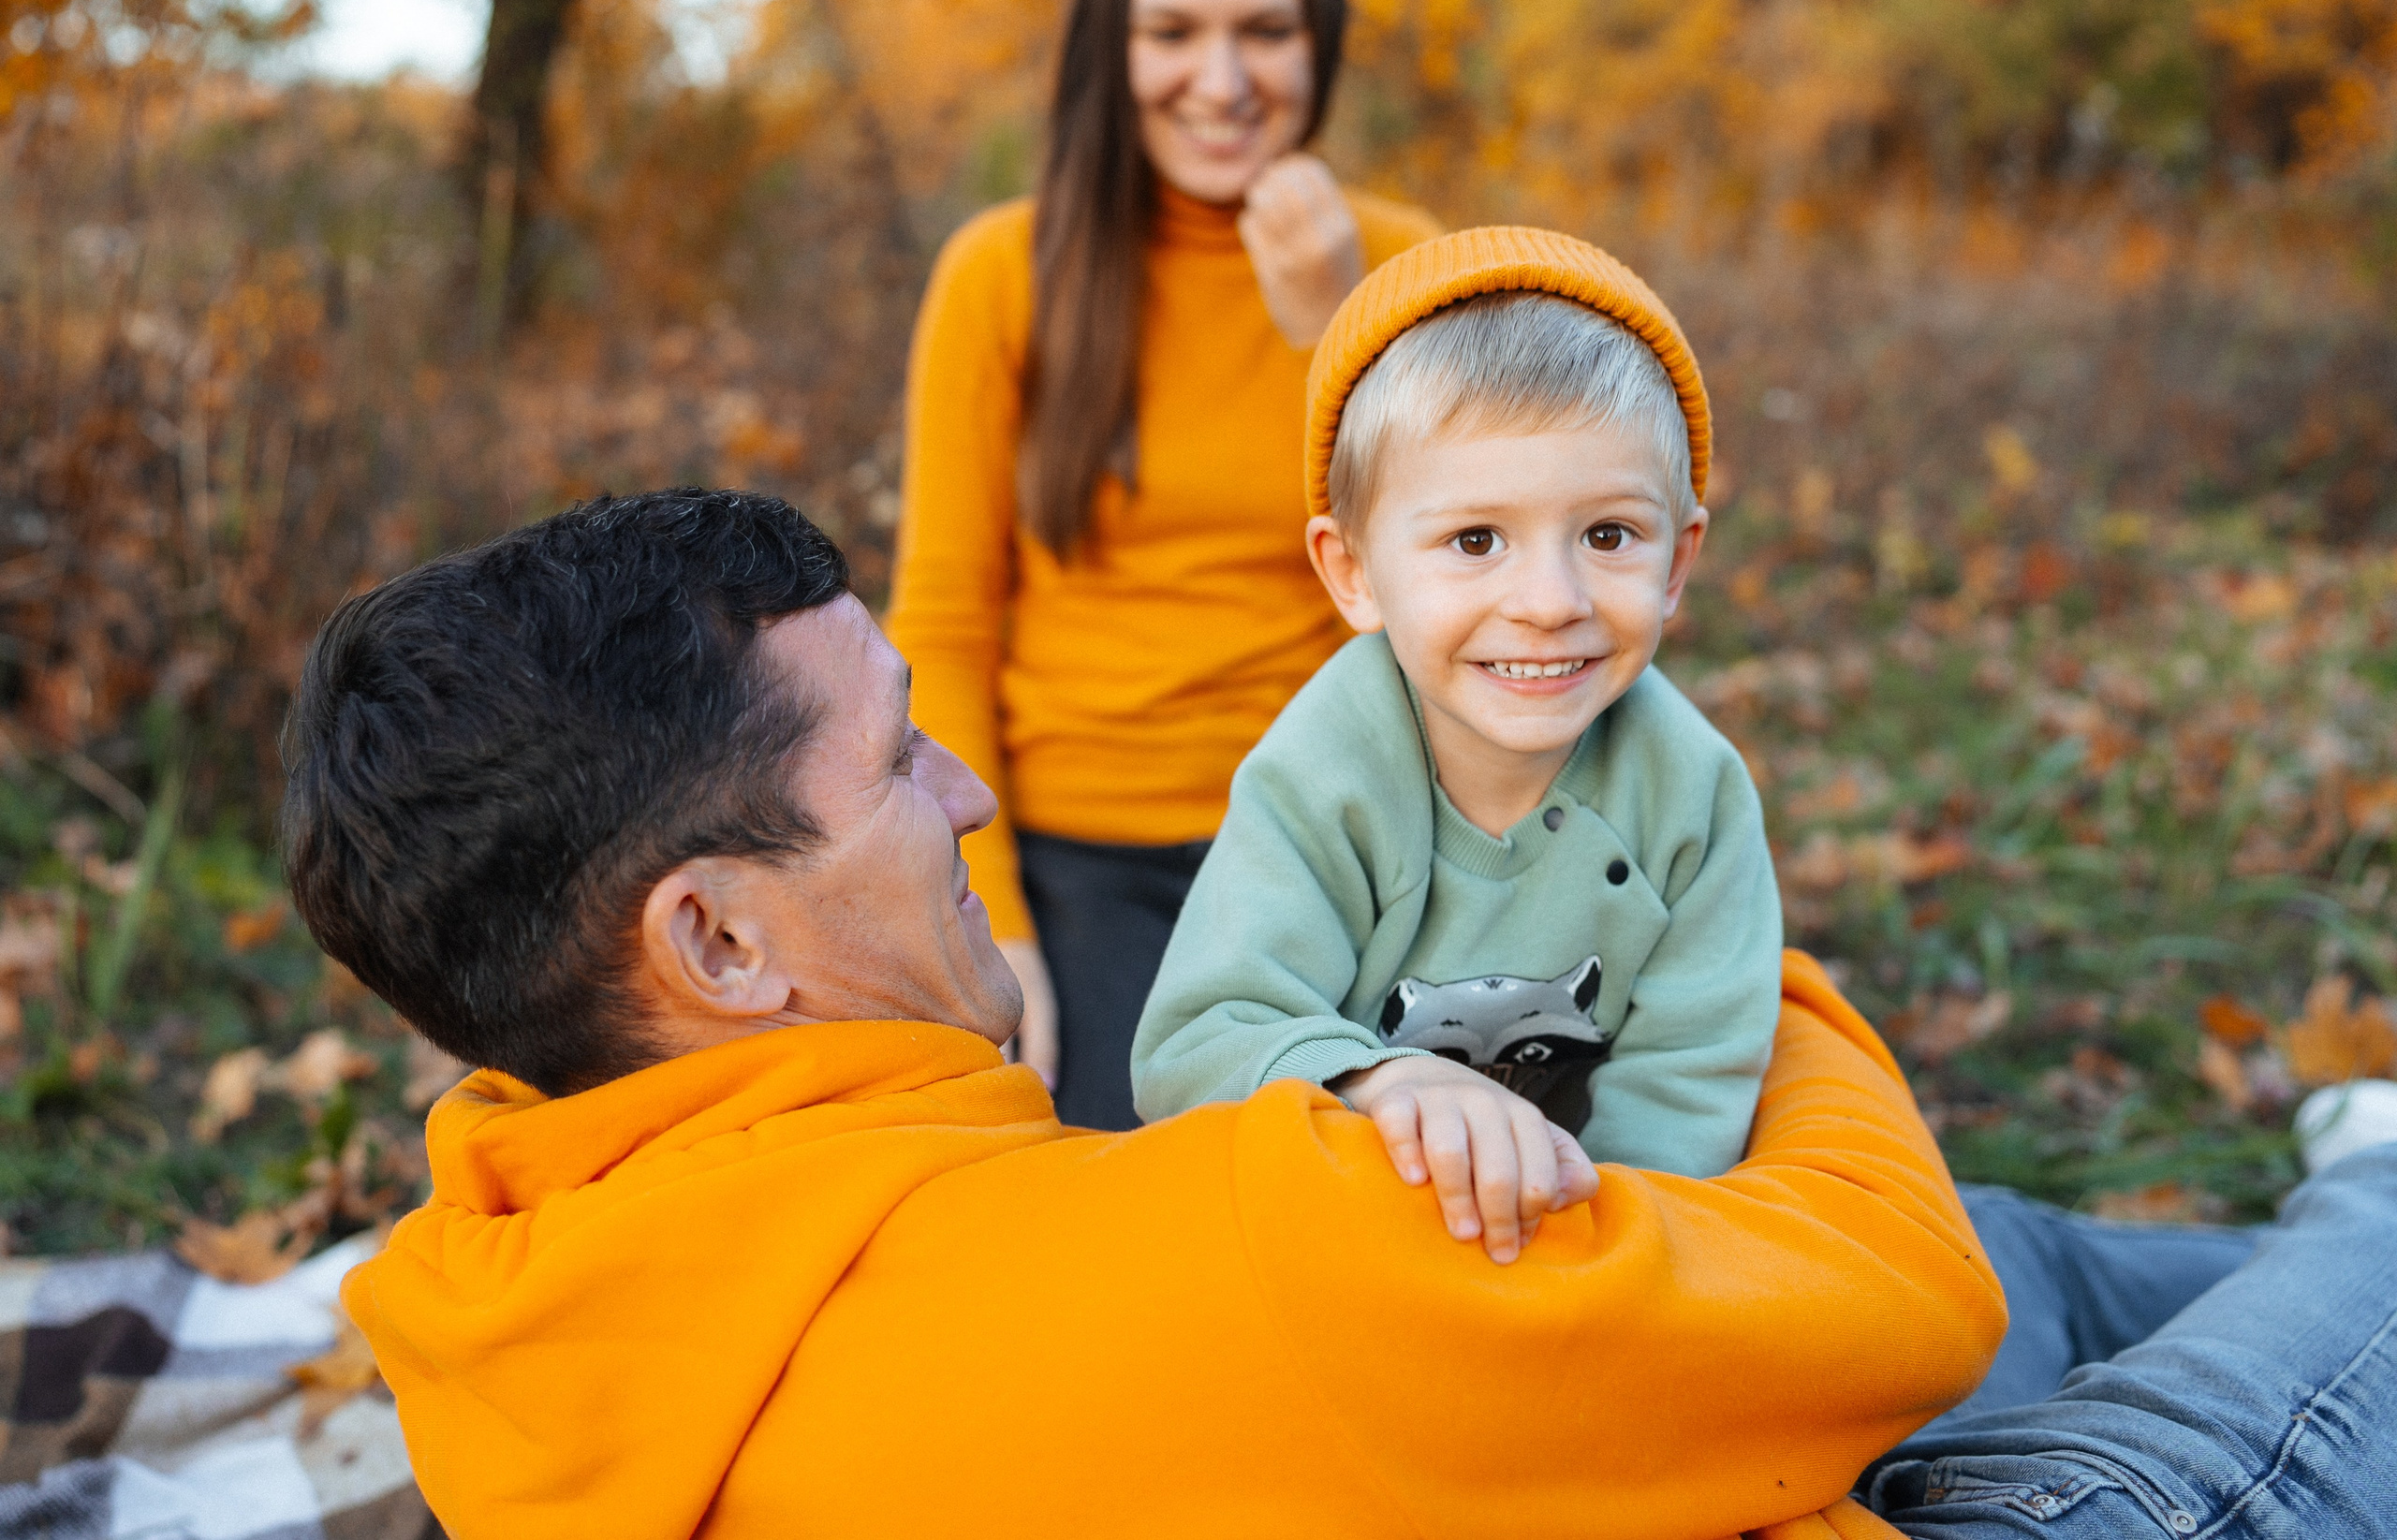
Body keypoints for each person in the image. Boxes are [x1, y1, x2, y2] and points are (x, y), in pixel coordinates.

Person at [295, 491, 2397, 1539]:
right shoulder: (1215, 1249)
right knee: (2327, 1265)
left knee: (2036, 1233)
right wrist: (1703, 918)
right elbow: (1893, 1292)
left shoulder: (509, 1313)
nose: (970, 793)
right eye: (900, 759)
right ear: (720, 944)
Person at [1134, 227, 1781, 1257]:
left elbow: (1690, 1075)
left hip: (1582, 1248)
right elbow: (1197, 1042)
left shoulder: (1690, 792)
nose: (1548, 603)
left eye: (1607, 536)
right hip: (1348, 1237)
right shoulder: (1322, 777)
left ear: (1677, 560)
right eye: (1475, 541)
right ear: (1351, 572)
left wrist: (1597, 1249)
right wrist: (1378, 1077)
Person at [887, 0, 1441, 1128]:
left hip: (1348, 835)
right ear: (1111, 48)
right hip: (1085, 854)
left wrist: (1334, 326)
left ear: (1321, 44)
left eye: (1266, 31)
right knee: (1132, 1195)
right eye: (1174, 32)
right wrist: (981, 924)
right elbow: (942, 620)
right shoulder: (1002, 275)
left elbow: (1454, 590)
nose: (1224, 79)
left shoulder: (1402, 262)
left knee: (1415, 1166)